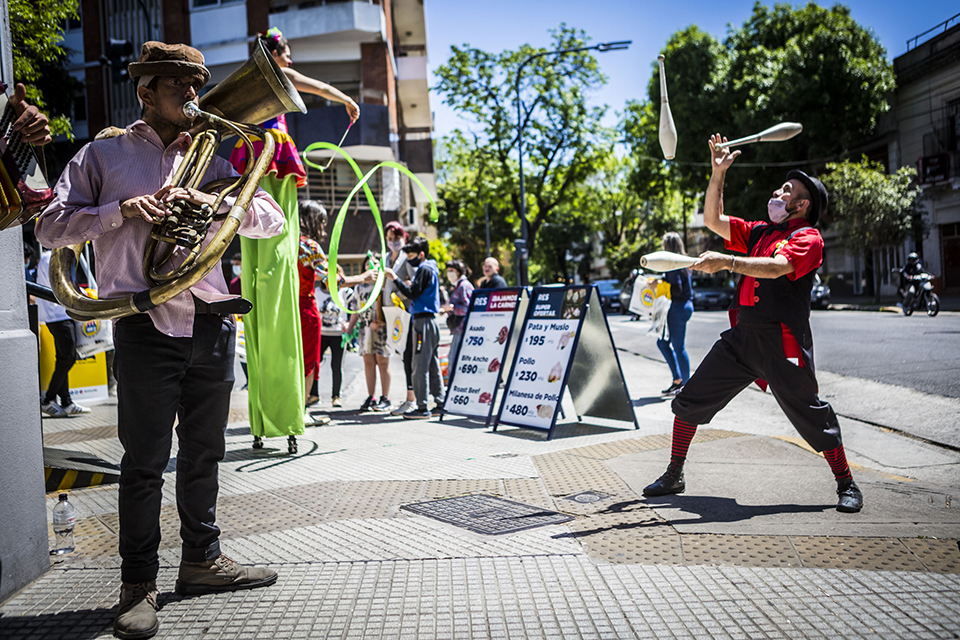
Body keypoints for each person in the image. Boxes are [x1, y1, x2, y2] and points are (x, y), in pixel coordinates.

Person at [35, 41, 284, 640]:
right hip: (145, 322)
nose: (194, 95)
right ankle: (138, 585)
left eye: (197, 84)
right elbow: (49, 227)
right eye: (180, 85)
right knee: (144, 464)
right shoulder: (104, 153)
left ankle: (202, 561)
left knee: (206, 454)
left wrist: (212, 200)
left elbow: (269, 219)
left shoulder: (215, 154)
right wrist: (121, 210)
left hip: (212, 318)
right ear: (146, 90)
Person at [642, 133, 862, 515]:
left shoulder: (807, 238)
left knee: (811, 413)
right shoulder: (761, 232)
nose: (779, 191)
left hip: (780, 342)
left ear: (802, 204)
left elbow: (779, 269)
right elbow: (713, 220)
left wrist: (728, 262)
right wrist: (718, 173)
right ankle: (674, 473)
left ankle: (847, 482)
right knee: (689, 400)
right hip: (741, 338)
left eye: (786, 189)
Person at [229, 27, 360, 455]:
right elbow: (317, 85)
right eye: (288, 52)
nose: (290, 57)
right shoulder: (278, 77)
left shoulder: (254, 80)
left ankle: (276, 411)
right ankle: (281, 411)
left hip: (257, 154)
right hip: (269, 152)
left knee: (265, 247)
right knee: (272, 240)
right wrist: (345, 100)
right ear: (279, 53)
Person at [297, 199, 367, 419]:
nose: (324, 228)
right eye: (323, 222)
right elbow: (330, 281)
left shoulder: (282, 241)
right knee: (308, 362)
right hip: (304, 309)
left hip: (281, 307)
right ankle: (301, 413)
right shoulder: (309, 246)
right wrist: (362, 277)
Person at [385, 236, 443, 419]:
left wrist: (395, 278)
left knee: (419, 366)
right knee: (432, 363)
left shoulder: (424, 269)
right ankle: (440, 402)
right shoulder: (431, 269)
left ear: (421, 254)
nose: (409, 259)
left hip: (422, 322)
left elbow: (413, 293)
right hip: (430, 321)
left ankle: (422, 407)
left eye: (411, 255)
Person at [35, 249, 91, 417]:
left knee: (63, 357)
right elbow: (62, 283)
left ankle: (66, 401)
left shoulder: (50, 256)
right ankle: (48, 399)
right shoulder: (53, 256)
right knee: (68, 357)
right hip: (58, 314)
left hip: (58, 313)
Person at [346, 253, 392, 411]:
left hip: (381, 328)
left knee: (383, 362)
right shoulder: (359, 287)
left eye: (373, 263)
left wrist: (382, 321)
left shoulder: (383, 283)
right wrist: (349, 328)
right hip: (364, 328)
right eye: (367, 264)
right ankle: (371, 396)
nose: (369, 266)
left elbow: (391, 306)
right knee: (368, 363)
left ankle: (385, 397)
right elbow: (355, 310)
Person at [382, 220, 417, 415]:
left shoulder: (407, 257)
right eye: (389, 238)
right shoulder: (386, 258)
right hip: (390, 315)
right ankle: (409, 397)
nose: (393, 242)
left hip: (406, 312)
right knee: (402, 354)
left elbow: (413, 284)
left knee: (409, 355)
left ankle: (411, 398)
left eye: (396, 238)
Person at [656, 232, 694, 395]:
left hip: (678, 306)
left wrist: (659, 285)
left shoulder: (673, 264)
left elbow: (676, 289)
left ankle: (686, 387)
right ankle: (679, 381)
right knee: (664, 343)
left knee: (678, 347)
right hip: (683, 306)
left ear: (668, 246)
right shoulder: (682, 262)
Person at [442, 259, 474, 372]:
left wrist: (452, 308)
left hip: (463, 328)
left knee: (454, 360)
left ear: (459, 272)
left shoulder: (464, 286)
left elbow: (468, 307)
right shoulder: (457, 286)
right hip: (458, 328)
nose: (449, 273)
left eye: (452, 270)